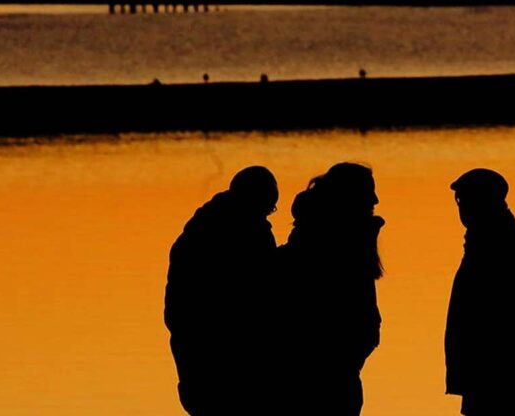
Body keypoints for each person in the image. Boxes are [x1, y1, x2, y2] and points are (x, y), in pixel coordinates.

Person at [164, 166, 281, 416]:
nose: (268, 215)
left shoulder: (196, 232)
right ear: (255, 201)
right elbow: (263, 291)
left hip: (195, 361)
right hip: (224, 364)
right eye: (268, 208)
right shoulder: (250, 233)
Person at [277, 163, 386, 415]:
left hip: (339, 373)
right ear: (347, 198)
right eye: (367, 192)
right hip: (321, 379)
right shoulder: (330, 250)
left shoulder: (342, 242)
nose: (375, 200)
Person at [444, 168, 515, 416]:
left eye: (465, 199)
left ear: (484, 201)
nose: (461, 207)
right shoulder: (487, 239)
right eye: (459, 200)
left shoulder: (500, 242)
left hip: (498, 376)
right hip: (488, 376)